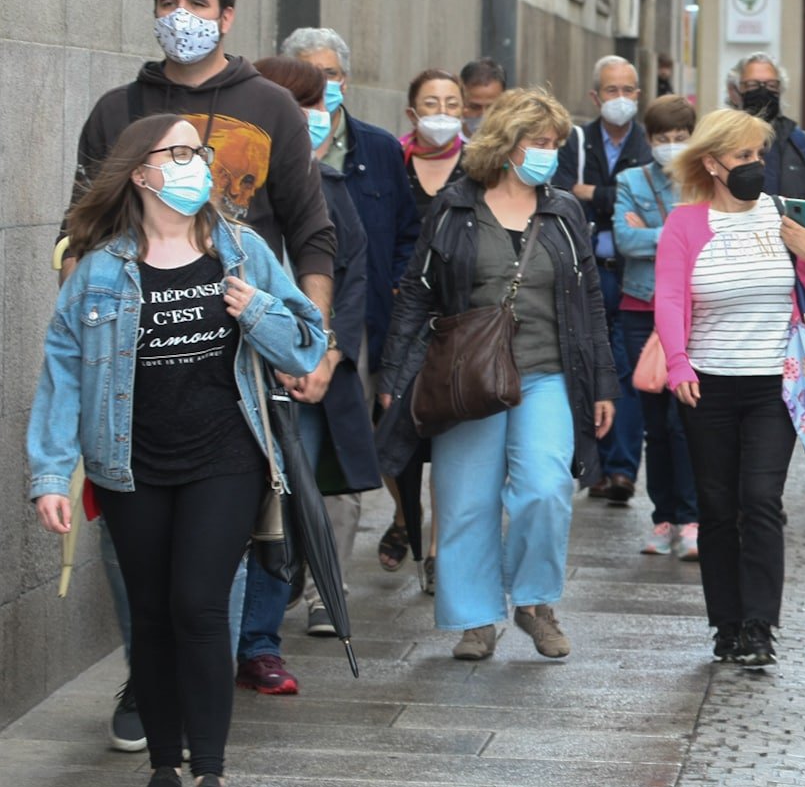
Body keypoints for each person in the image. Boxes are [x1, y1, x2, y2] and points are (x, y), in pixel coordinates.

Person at [30, 113, 327, 787]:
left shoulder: (244, 251)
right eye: (182, 152)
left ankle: (213, 779)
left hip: (225, 458)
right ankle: (163, 771)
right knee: (154, 615)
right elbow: (61, 376)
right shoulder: (99, 270)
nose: (199, 163)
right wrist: (49, 475)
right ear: (142, 173)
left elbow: (306, 347)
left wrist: (256, 310)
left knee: (197, 604)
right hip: (128, 466)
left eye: (201, 151)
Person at [71, 0, 337, 708]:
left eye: (196, 4)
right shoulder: (116, 113)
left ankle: (193, 696)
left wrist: (309, 336)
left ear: (226, 16)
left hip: (234, 364)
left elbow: (312, 231)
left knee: (215, 547)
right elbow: (79, 230)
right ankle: (150, 681)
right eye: (167, 2)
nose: (179, 17)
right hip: (133, 365)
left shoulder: (270, 109)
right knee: (133, 550)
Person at [376, 88, 617, 661]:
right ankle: (476, 620)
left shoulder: (563, 211)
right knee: (465, 501)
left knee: (546, 489)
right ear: (507, 145)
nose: (549, 153)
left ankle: (535, 603)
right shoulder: (457, 206)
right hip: (466, 377)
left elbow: (588, 300)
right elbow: (416, 289)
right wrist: (392, 371)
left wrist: (603, 383)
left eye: (555, 144)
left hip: (547, 372)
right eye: (539, 142)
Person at [654, 109, 805, 668]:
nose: (756, 166)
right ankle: (725, 625)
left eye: (760, 155)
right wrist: (678, 363)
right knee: (717, 506)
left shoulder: (784, 214)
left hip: (774, 386)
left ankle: (759, 626)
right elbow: (671, 299)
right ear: (713, 163)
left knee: (760, 500)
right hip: (706, 386)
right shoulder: (684, 224)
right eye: (743, 157)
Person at [228, 56, 379, 661]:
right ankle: (229, 633)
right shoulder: (232, 190)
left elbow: (354, 273)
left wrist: (326, 355)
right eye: (304, 104)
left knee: (287, 501)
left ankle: (260, 642)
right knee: (243, 506)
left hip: (312, 375)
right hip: (243, 365)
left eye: (321, 105)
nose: (317, 117)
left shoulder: (333, 188)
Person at [283, 28, 419, 392]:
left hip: (364, 321)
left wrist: (392, 289)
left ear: (344, 81)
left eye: (329, 74)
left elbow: (407, 232)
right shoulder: (273, 146)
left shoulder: (380, 148)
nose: (320, 83)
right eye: (308, 73)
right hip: (292, 314)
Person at [376, 69, 469, 589]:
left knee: (447, 439)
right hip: (396, 316)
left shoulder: (478, 165)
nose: (441, 112)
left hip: (455, 324)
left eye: (451, 103)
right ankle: (403, 515)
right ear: (412, 112)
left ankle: (435, 550)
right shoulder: (394, 160)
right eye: (430, 102)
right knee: (388, 432)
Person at [554, 55, 653, 504]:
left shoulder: (651, 146)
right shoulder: (574, 142)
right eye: (611, 91)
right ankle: (591, 465)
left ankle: (621, 469)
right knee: (585, 366)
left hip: (633, 276)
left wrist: (594, 194)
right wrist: (621, 203)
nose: (620, 99)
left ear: (639, 95)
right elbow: (561, 194)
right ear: (595, 97)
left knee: (627, 370)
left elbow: (653, 207)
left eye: (628, 90)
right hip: (583, 272)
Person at [615, 94, 702, 559]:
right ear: (649, 140)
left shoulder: (704, 179)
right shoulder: (631, 180)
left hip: (691, 312)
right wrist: (676, 236)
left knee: (683, 418)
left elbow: (708, 238)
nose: (671, 146)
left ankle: (690, 518)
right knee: (656, 426)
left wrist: (657, 234)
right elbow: (625, 241)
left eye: (680, 138)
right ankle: (662, 516)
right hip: (640, 309)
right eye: (662, 139)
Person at [729, 52, 805, 265]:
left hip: (795, 273)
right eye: (752, 85)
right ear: (735, 92)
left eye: (771, 85)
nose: (762, 90)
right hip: (735, 270)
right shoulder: (720, 146)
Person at [459, 57, 508, 137]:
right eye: (475, 107)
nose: (483, 115)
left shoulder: (515, 144)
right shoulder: (447, 145)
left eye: (491, 107)